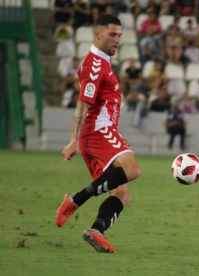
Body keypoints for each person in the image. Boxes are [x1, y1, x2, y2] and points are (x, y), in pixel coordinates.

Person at [56, 14, 141, 254]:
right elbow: (82, 105)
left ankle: (96, 230)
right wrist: (74, 139)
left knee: (122, 194)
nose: (117, 40)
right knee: (132, 170)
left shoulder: (102, 61)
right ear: (98, 34)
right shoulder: (94, 65)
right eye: (112, 34)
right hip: (98, 131)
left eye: (120, 35)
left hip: (102, 131)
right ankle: (76, 199)